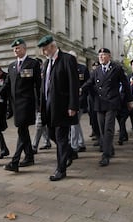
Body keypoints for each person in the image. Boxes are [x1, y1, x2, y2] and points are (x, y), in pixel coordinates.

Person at [0, 38, 41, 172]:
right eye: (14, 48)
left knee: (21, 130)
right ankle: (29, 157)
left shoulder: (33, 64)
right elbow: (6, 84)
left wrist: (40, 104)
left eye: (18, 48)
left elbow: (39, 85)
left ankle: (15, 162)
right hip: (15, 105)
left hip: (27, 104)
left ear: (24, 49)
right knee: (23, 131)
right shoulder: (12, 66)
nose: (15, 50)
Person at [81, 48, 133, 166]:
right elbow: (89, 82)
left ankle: (106, 155)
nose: (101, 57)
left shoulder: (116, 68)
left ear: (109, 56)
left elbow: (125, 85)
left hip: (112, 102)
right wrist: (80, 89)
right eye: (100, 55)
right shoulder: (97, 70)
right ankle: (110, 149)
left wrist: (129, 100)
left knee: (108, 129)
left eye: (103, 55)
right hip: (99, 103)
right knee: (102, 128)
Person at [38, 35, 79, 181]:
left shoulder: (68, 59)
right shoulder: (46, 63)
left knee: (61, 137)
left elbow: (73, 84)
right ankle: (70, 152)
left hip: (63, 107)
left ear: (52, 46)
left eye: (44, 49)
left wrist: (73, 105)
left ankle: (61, 170)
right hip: (48, 107)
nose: (43, 52)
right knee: (51, 135)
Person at [68, 50, 90, 159]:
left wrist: (82, 91)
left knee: (73, 124)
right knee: (75, 123)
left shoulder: (83, 68)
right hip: (69, 101)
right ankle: (81, 143)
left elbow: (88, 83)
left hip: (80, 101)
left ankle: (74, 147)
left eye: (73, 58)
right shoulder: (66, 68)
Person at [32, 57, 52, 154]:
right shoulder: (34, 75)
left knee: (39, 124)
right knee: (42, 125)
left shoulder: (45, 74)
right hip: (36, 104)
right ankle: (47, 141)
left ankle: (34, 146)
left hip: (44, 104)